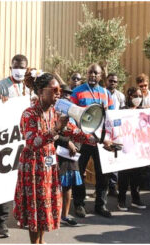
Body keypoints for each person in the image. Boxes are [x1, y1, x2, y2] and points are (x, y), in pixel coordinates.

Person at [13, 71, 112, 244]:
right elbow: (32, 142)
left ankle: (41, 240)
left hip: (49, 166)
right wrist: (55, 130)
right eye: (55, 89)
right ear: (41, 92)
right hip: (33, 167)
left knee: (46, 205)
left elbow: (74, 132)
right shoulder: (28, 114)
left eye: (59, 89)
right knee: (36, 208)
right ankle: (34, 242)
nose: (59, 93)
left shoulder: (55, 112)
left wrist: (102, 140)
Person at [0, 54, 30, 238]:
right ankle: (1, 223)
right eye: (16, 66)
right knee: (6, 182)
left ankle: (23, 217)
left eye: (22, 67)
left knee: (25, 181)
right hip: (7, 140)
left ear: (27, 68)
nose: (19, 70)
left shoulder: (31, 87)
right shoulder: (1, 86)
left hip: (27, 140)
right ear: (10, 67)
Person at [70, 63, 114, 218]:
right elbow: (70, 115)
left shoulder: (106, 93)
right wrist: (79, 134)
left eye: (96, 73)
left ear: (101, 75)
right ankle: (79, 204)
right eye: (90, 73)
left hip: (101, 142)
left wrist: (109, 137)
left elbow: (112, 117)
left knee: (103, 174)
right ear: (86, 74)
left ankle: (100, 205)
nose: (93, 75)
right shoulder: (77, 92)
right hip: (83, 140)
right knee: (79, 172)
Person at [55, 84, 82, 226]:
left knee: (68, 186)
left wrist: (75, 146)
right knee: (54, 186)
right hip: (56, 153)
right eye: (63, 93)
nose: (66, 95)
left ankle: (64, 216)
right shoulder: (52, 112)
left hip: (70, 155)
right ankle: (53, 215)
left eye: (68, 93)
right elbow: (52, 134)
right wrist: (67, 143)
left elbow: (77, 131)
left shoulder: (74, 112)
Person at [117, 87, 146, 211]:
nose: (138, 99)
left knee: (137, 177)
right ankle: (121, 200)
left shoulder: (143, 111)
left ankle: (136, 199)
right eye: (135, 96)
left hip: (138, 150)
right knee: (123, 177)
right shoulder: (122, 111)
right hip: (125, 149)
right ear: (129, 96)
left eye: (140, 96)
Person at [105, 73, 125, 197]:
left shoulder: (120, 96)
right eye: (110, 80)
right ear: (106, 81)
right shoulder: (101, 93)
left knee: (115, 158)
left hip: (116, 130)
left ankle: (112, 186)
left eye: (115, 81)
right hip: (103, 130)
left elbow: (123, 112)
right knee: (103, 158)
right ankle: (102, 187)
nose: (112, 83)